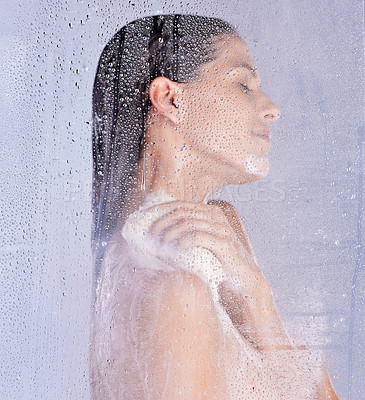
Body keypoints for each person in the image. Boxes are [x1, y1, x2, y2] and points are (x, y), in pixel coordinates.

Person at [89, 14, 340, 399]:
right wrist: (259, 304)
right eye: (242, 85)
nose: (272, 108)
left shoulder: (217, 233)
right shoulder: (171, 289)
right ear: (171, 99)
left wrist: (257, 298)